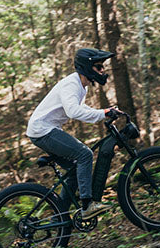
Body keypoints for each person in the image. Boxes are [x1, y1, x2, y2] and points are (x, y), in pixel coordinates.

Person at [26, 48, 122, 220]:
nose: (102, 71)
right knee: (84, 154)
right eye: (99, 67)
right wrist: (103, 113)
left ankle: (59, 216)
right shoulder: (71, 84)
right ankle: (87, 205)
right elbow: (73, 112)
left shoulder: (81, 85)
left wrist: (104, 112)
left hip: (46, 129)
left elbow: (81, 108)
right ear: (87, 66)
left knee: (74, 170)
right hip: (42, 130)